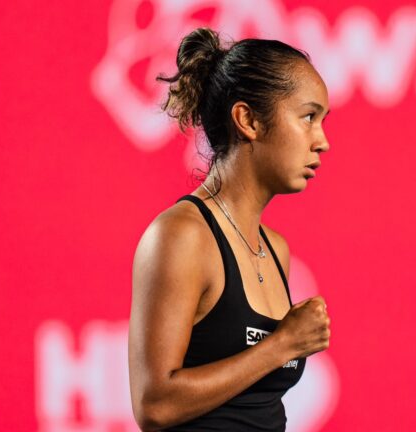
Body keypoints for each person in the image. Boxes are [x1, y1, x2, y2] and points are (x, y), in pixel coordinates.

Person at [128, 27, 332, 431]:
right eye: (308, 117)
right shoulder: (181, 235)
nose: (322, 141)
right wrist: (281, 346)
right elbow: (154, 405)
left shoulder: (275, 248)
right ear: (248, 120)